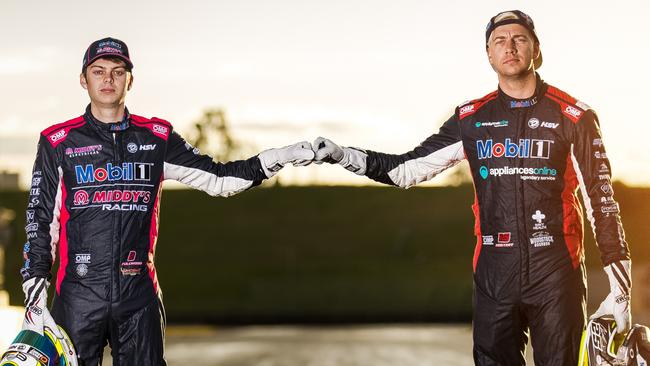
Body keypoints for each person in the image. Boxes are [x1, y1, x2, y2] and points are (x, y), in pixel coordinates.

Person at [312, 10, 632, 366]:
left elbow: (602, 203)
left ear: (536, 50)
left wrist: (621, 287)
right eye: (500, 41)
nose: (509, 47)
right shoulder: (471, 119)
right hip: (494, 273)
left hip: (556, 274)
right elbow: (407, 170)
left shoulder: (574, 115)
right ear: (489, 55)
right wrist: (344, 156)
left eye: (519, 39)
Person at [20, 37, 314, 365]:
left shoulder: (156, 137)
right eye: (98, 71)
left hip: (138, 298)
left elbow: (219, 179)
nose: (108, 79)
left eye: (117, 72)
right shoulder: (58, 141)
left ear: (130, 80)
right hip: (76, 297)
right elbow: (40, 219)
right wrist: (34, 292)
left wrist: (276, 158)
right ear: (83, 79)